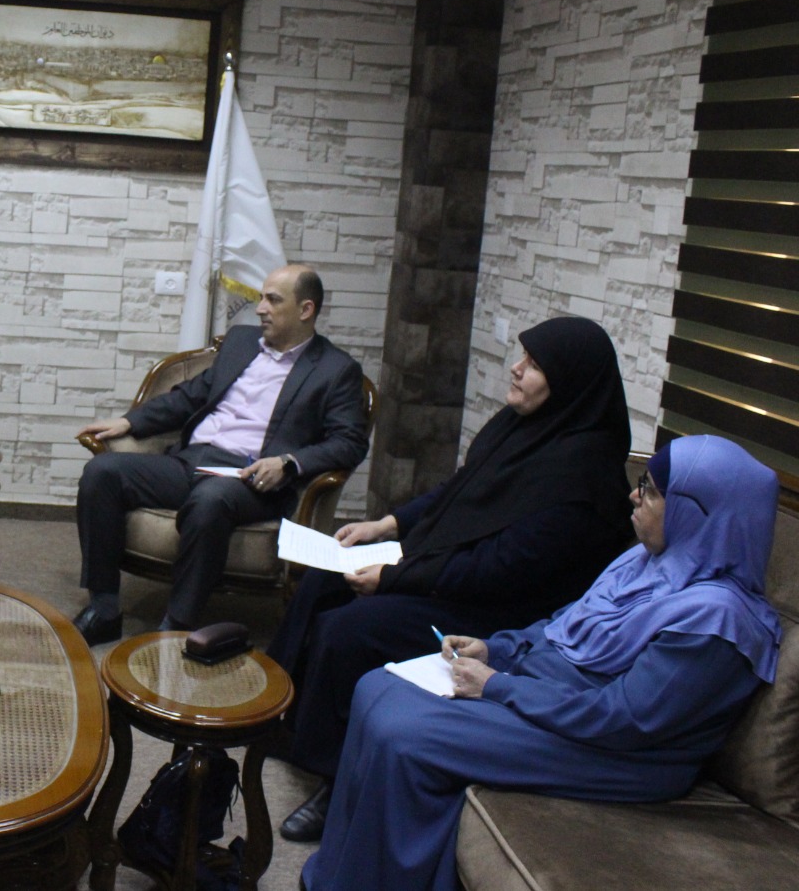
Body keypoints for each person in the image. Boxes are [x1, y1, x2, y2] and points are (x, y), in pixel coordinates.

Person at [302, 434, 782, 891]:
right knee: (374, 687)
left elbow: (626, 718)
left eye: (652, 492)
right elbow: (562, 625)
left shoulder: (716, 621)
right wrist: (496, 649)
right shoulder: (645, 563)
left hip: (617, 753)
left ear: (699, 515)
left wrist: (496, 686)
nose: (634, 497)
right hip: (558, 701)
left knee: (402, 731)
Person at [267, 315, 635, 842]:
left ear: (570, 383)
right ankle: (284, 717)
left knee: (352, 628)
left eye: (534, 365)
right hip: (455, 572)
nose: (516, 368)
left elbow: (503, 568)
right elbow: (458, 491)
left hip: (499, 611)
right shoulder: (521, 425)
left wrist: (395, 577)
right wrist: (387, 525)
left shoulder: (583, 477)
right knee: (323, 582)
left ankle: (339, 778)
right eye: (522, 356)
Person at [73, 263, 369, 642]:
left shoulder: (335, 369)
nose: (260, 308)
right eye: (261, 298)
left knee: (209, 501)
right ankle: (104, 608)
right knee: (102, 472)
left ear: (305, 310)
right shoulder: (242, 342)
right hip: (190, 461)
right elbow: (191, 396)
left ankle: (176, 626)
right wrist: (130, 422)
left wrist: (288, 463)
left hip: (249, 478)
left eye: (273, 300)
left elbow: (349, 442)